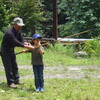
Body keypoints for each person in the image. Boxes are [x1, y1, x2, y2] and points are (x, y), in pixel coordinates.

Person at [1, 17, 33, 89]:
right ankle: (10, 82)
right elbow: (15, 42)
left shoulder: (18, 31)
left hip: (11, 49)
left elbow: (20, 40)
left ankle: (16, 80)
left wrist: (25, 43)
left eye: (21, 26)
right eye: (19, 25)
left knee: (14, 65)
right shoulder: (9, 33)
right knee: (8, 67)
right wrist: (25, 46)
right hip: (5, 50)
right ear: (14, 24)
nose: (20, 27)